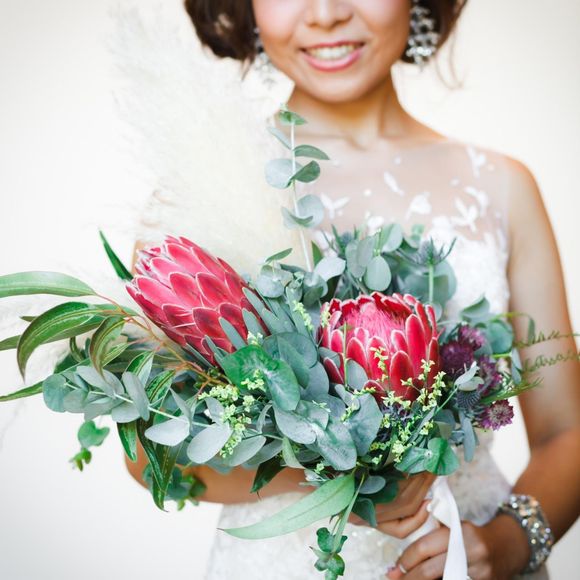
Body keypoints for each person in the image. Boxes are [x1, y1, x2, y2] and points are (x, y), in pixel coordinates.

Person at [124, 1, 580, 578]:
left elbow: (566, 431)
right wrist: (338, 478)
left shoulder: (501, 187)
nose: (326, 14)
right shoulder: (201, 195)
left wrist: (508, 543)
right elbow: (148, 456)